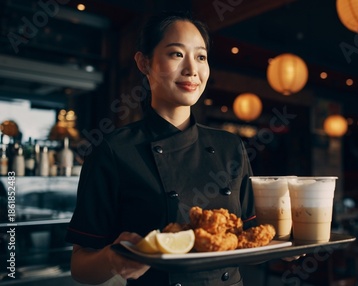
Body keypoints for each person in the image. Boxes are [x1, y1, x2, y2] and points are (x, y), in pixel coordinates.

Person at [65, 10, 256, 286]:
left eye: (201, 56)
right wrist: (112, 259)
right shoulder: (113, 151)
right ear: (144, 63)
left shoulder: (231, 147)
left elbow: (253, 241)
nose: (192, 69)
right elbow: (80, 266)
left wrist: (291, 248)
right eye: (177, 54)